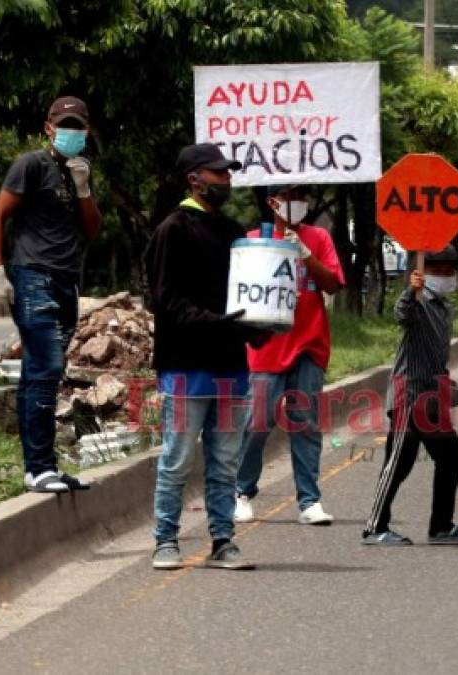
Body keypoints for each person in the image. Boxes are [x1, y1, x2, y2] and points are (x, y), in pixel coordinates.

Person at [146, 143, 267, 570]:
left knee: (225, 462)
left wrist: (260, 327)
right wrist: (220, 322)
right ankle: (165, 541)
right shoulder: (172, 230)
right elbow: (165, 301)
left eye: (229, 174)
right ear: (194, 179)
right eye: (219, 174)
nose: (227, 181)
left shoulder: (234, 232)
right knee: (177, 458)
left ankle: (223, 541)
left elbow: (249, 296)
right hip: (184, 367)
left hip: (231, 367)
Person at [0, 95, 101, 493]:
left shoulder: (81, 171)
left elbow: (92, 230)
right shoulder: (30, 164)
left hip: (68, 280)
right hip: (33, 275)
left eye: (77, 126)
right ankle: (36, 468)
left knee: (46, 373)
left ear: (87, 131)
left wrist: (84, 188)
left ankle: (45, 465)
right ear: (48, 128)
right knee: (45, 367)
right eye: (63, 125)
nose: (70, 132)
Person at [234, 184, 345, 526]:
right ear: (273, 202)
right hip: (267, 347)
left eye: (302, 197)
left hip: (309, 345)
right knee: (257, 422)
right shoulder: (253, 240)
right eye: (290, 197)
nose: (299, 204)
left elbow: (333, 284)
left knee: (305, 423)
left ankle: (310, 500)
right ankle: (241, 491)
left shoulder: (320, 239)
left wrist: (307, 257)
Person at [362, 245, 458, 546]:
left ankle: (441, 526)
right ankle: (375, 528)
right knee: (398, 462)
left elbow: (435, 356)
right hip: (408, 396)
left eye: (448, 269)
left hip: (432, 398)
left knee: (451, 456)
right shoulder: (419, 303)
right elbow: (402, 314)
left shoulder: (443, 308)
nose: (444, 274)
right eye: (436, 269)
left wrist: (448, 389)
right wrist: (409, 291)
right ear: (424, 272)